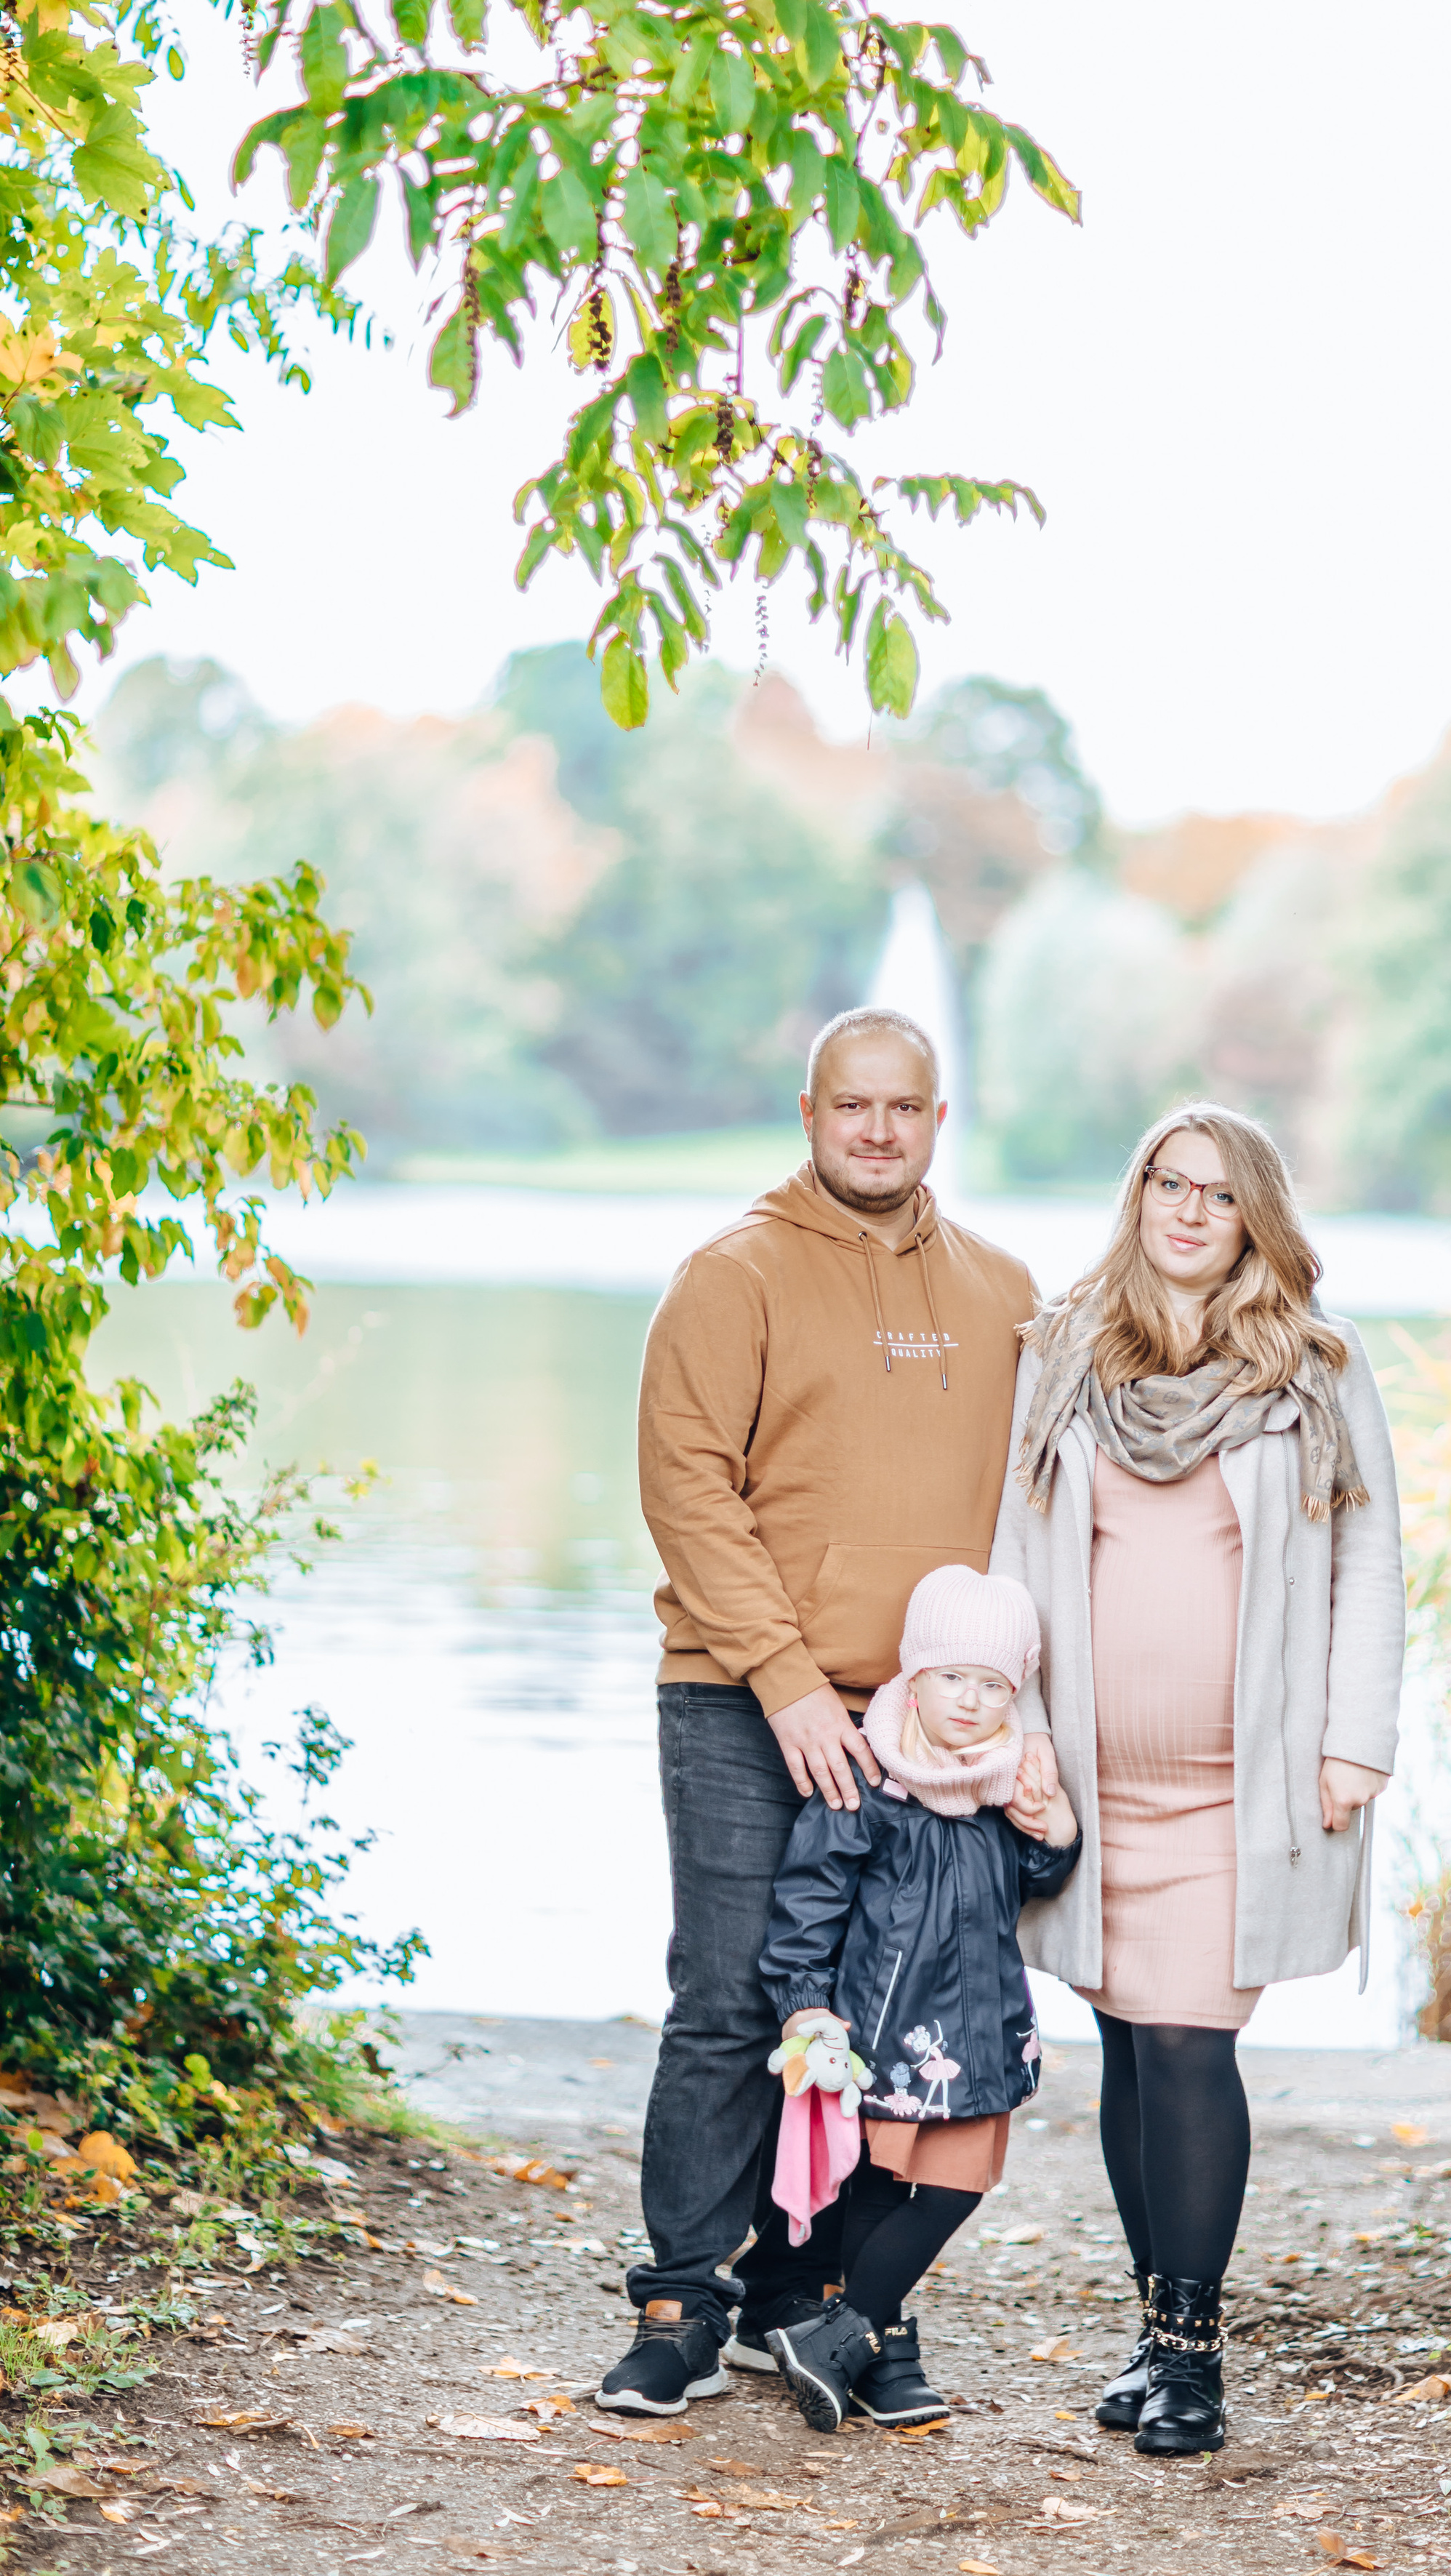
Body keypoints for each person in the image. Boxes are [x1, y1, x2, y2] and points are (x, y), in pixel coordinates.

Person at [600, 1008, 1047, 2417]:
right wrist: (786, 1678)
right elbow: (685, 1489)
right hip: (742, 1699)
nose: (875, 1130)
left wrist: (1009, 1718)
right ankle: (683, 2297)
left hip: (928, 1725)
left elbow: (1035, 1511)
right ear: (807, 1113)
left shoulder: (1003, 1290)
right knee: (735, 1998)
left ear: (934, 1122)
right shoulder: (728, 1278)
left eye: (902, 1109)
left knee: (879, 2009)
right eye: (849, 1106)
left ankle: (821, 2301)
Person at [989, 1102, 1405, 2458]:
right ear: (1138, 1197)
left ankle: (1194, 2354)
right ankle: (1155, 2329)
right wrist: (1015, 1734)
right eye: (1167, 1184)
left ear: (1252, 1219)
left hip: (1247, 1783)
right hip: (1095, 1784)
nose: (1185, 1210)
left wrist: (1357, 1740)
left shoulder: (1313, 1369)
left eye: (1216, 1196)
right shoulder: (1062, 1357)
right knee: (1120, 2041)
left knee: (1187, 2045)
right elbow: (1016, 1550)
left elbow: (1368, 1564)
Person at [757, 1563, 1079, 2432]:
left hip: (980, 2030)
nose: (971, 1702)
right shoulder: (867, 1776)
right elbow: (809, 1898)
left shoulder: (1005, 1779)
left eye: (993, 1685)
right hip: (889, 2028)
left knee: (954, 2188)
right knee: (879, 2187)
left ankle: (840, 2332)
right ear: (914, 1674)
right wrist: (803, 2001)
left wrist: (1054, 1833)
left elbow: (1031, 1881)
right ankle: (881, 2348)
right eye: (951, 1678)